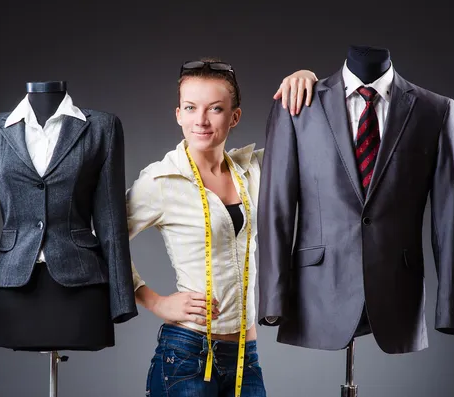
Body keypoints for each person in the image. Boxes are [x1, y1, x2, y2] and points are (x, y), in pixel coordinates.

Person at [126, 59, 318, 397]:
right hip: (186, 354)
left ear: (234, 116)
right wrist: (155, 302)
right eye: (190, 107)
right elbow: (101, 243)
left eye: (215, 108)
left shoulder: (255, 169)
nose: (200, 120)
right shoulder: (161, 180)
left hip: (246, 355)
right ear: (178, 115)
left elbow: (308, 142)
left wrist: (308, 78)